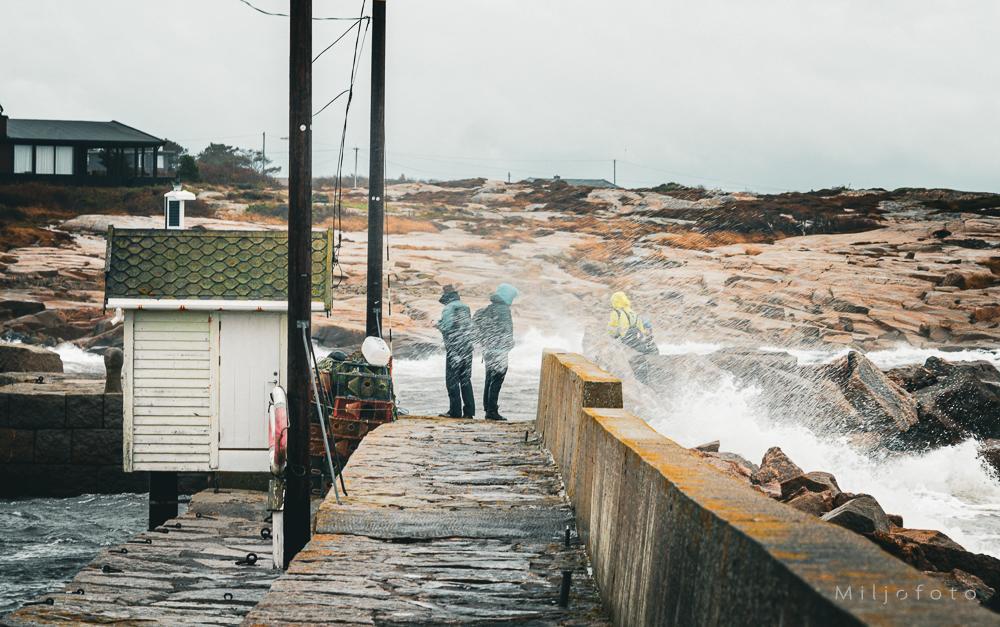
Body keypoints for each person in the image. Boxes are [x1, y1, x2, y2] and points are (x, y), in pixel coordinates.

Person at [474, 283, 518, 421]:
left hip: (487, 350)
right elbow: (507, 330)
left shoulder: (489, 309)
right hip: (499, 351)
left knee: (489, 378)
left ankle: (488, 408)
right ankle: (492, 411)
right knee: (497, 379)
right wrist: (510, 344)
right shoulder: (504, 310)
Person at [436, 285, 475, 418]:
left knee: (452, 381)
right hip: (467, 348)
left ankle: (455, 411)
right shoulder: (465, 306)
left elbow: (447, 327)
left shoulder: (449, 308)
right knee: (465, 380)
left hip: (455, 349)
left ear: (446, 297)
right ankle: (469, 412)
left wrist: (437, 324)